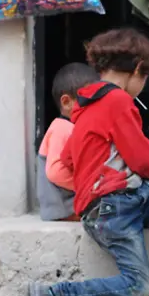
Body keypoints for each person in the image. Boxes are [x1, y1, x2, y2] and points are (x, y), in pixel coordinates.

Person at [25, 28, 149, 296]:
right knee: (137, 285)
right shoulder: (117, 100)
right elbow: (142, 160)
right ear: (138, 69)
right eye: (145, 77)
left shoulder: (84, 106)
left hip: (125, 200)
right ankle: (54, 294)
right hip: (112, 209)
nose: (143, 85)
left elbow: (67, 158)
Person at [37, 62, 99, 222]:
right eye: (89, 103)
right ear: (66, 102)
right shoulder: (62, 128)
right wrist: (86, 187)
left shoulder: (70, 127)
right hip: (62, 207)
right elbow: (55, 172)